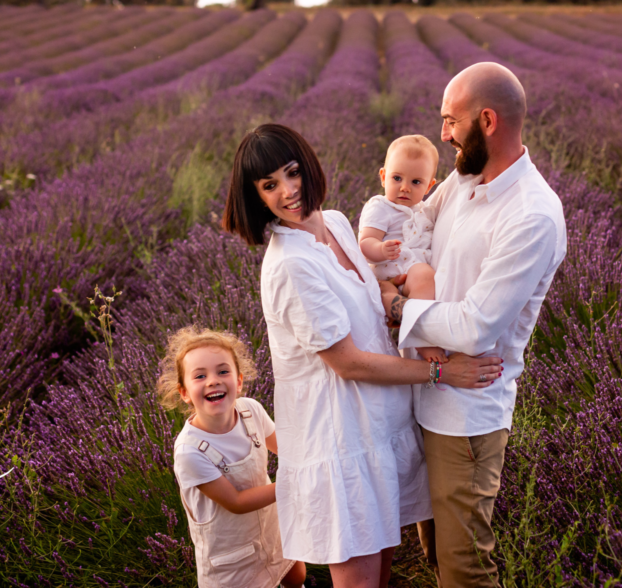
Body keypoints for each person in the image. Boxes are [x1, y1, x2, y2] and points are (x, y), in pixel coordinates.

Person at [221, 123, 503, 588]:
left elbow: (372, 292)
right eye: (270, 185)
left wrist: (399, 307)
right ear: (256, 196)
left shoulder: (332, 222)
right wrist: (441, 370)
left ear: (308, 166)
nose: (289, 192)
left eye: (292, 173)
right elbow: (347, 362)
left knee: (382, 576)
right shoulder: (291, 264)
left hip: (377, 429)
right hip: (341, 442)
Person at [380, 62, 568, 587]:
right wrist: (412, 276)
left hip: (465, 416)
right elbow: (417, 222)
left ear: (486, 120)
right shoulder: (463, 181)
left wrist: (399, 309)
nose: (442, 134)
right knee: (435, 551)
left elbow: (475, 328)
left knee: (465, 566)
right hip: (421, 390)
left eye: (449, 120)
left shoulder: (531, 214)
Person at [157, 326, 307, 588]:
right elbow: (236, 501)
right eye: (200, 376)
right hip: (231, 557)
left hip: (271, 526)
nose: (213, 380)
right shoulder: (190, 451)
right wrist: (294, 484)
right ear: (184, 393)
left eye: (223, 371)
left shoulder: (251, 411)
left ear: (238, 382)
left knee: (295, 573)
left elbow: (287, 449)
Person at [358, 134, 445, 364]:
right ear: (383, 177)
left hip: (410, 269)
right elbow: (365, 242)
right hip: (389, 267)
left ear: (429, 186)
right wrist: (380, 249)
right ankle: (421, 336)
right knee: (425, 278)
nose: (404, 188)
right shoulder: (380, 207)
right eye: (397, 178)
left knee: (425, 281)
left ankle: (402, 315)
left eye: (416, 182)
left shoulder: (425, 210)